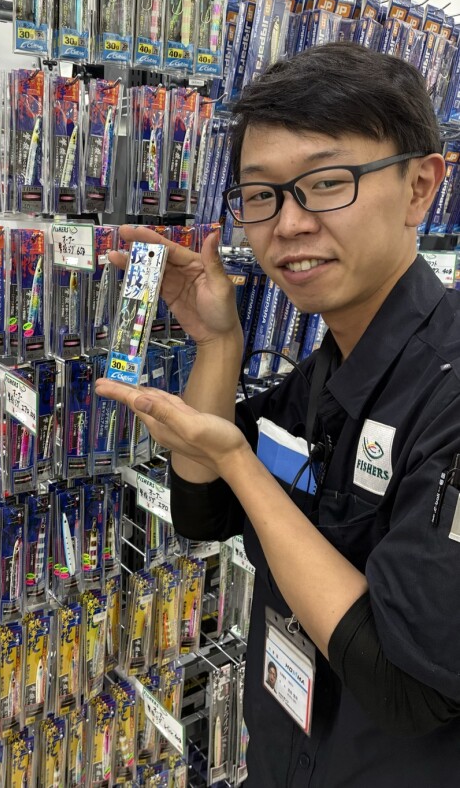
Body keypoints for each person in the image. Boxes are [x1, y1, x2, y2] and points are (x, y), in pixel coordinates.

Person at [96, 43, 460, 787]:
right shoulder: (325, 375)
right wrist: (217, 341)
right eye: (262, 194)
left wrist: (238, 462)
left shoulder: (445, 390)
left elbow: (409, 682)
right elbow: (203, 509)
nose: (288, 224)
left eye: (326, 184)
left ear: (421, 187)